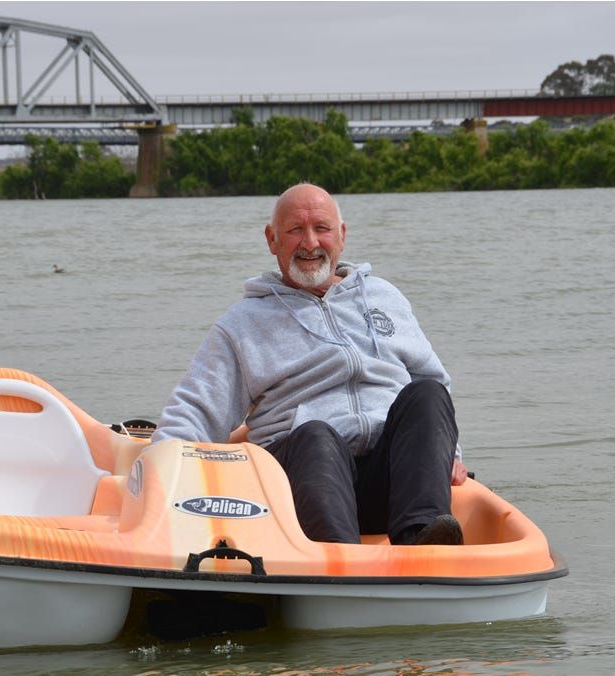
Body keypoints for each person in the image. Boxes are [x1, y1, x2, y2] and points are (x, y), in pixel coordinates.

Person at [152, 183, 468, 546]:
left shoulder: (385, 297)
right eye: (295, 230)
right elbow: (196, 408)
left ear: (342, 235)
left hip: (390, 478)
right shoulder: (243, 323)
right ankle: (340, 565)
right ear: (272, 240)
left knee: (426, 393)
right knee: (317, 435)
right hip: (301, 484)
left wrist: (450, 454)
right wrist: (157, 477)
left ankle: (423, 540)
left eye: (321, 228)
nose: (310, 243)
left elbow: (434, 383)